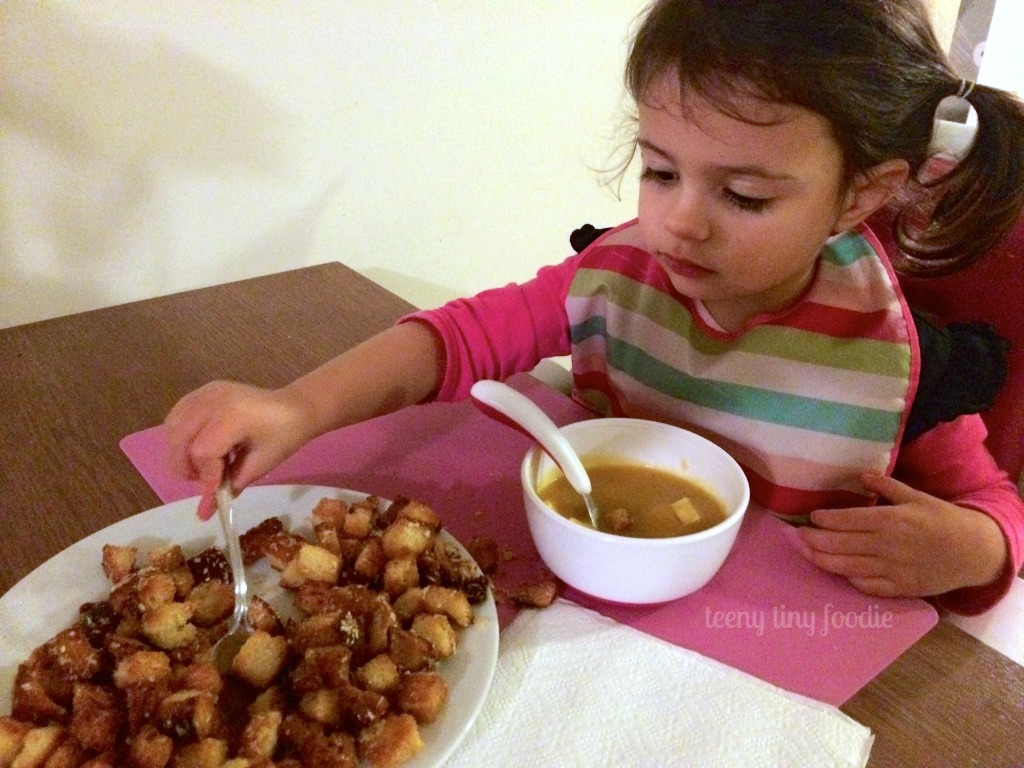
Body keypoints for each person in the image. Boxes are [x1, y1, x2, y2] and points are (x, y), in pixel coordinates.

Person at [165, 0, 1024, 615]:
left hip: (766, 631)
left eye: (747, 196)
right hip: (566, 601)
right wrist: (297, 405)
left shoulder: (894, 359)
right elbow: (457, 341)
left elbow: (992, 506)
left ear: (857, 196)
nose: (678, 222)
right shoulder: (626, 275)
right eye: (660, 171)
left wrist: (976, 549)